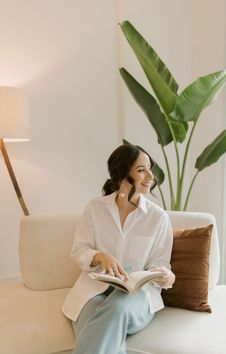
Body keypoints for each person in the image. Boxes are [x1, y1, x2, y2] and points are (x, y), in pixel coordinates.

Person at [62, 144, 175, 354]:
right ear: (122, 175)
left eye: (149, 168)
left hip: (136, 294)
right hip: (94, 288)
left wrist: (163, 274)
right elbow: (79, 250)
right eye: (142, 170)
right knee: (101, 325)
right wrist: (99, 256)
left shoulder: (158, 217)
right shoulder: (95, 209)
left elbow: (161, 263)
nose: (151, 176)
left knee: (116, 309)